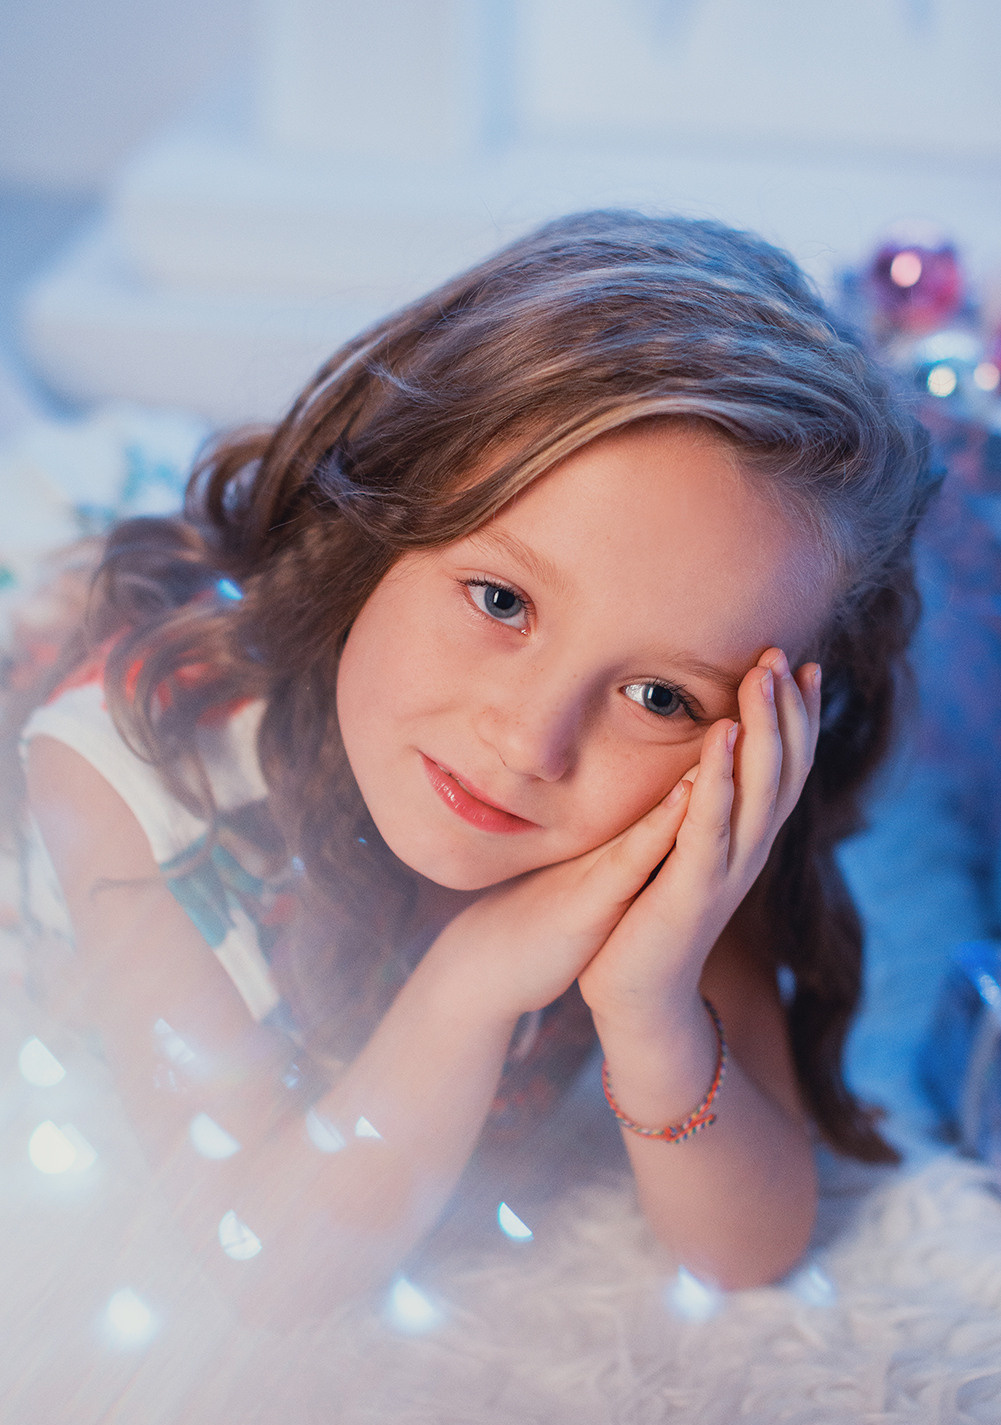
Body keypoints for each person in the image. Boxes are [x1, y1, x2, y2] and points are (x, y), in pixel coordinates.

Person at [11, 211, 936, 1322]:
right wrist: (472, 981)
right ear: (379, 524)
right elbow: (260, 1266)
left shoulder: (671, 821)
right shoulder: (129, 768)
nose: (530, 741)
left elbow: (744, 1249)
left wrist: (650, 1005)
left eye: (658, 696)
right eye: (500, 600)